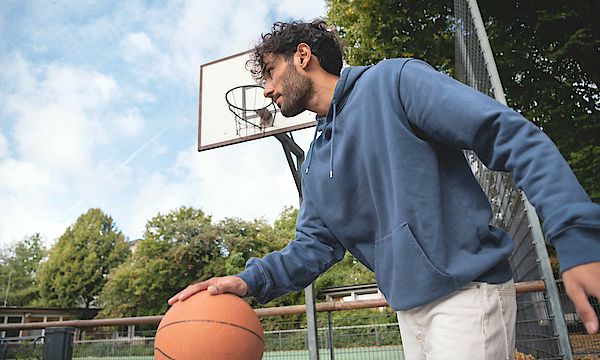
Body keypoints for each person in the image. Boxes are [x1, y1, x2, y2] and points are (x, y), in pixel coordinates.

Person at [170, 19, 600, 359]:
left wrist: (576, 234)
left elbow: (505, 134)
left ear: (302, 56)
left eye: (269, 71)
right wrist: (248, 281)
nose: (265, 89)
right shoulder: (318, 161)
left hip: (466, 297)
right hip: (408, 313)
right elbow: (312, 248)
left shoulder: (394, 81)